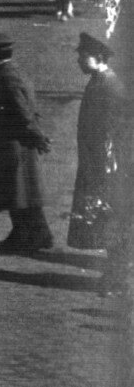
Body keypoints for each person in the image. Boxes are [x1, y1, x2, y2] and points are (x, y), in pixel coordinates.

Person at [0, 29, 54, 252]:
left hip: (14, 145)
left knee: (19, 192)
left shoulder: (6, 78)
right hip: (19, 143)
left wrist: (38, 137)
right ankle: (37, 234)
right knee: (24, 192)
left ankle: (27, 236)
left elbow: (23, 114)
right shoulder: (14, 73)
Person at [68, 32, 128, 252]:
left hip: (104, 159)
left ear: (98, 57)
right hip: (94, 156)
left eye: (83, 56)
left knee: (105, 203)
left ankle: (113, 251)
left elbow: (115, 130)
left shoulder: (110, 86)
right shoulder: (98, 81)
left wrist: (106, 160)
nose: (79, 61)